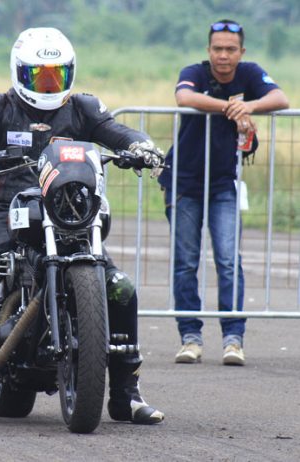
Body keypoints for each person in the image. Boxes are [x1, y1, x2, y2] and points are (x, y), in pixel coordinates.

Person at [0, 27, 165, 425]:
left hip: (70, 209)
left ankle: (126, 395)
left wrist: (141, 146)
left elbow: (117, 132)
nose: (48, 84)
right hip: (10, 208)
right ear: (19, 72)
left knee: (120, 288)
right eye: (39, 76)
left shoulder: (84, 107)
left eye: (56, 75)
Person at [158, 19, 289, 366]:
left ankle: (233, 340)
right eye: (217, 48)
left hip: (223, 185)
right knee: (186, 263)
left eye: (231, 49)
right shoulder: (195, 72)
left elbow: (281, 98)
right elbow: (184, 96)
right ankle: (190, 338)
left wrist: (250, 106)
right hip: (183, 182)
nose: (223, 55)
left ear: (241, 52)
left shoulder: (250, 73)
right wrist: (230, 107)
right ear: (209, 50)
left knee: (229, 262)